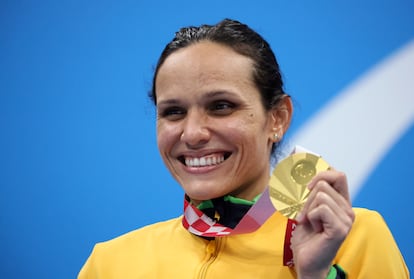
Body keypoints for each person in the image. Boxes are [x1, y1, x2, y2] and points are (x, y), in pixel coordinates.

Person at [78, 19, 409, 279]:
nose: (192, 133)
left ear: (277, 118)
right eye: (174, 112)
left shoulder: (352, 238)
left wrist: (316, 275)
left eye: (221, 106)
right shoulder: (109, 264)